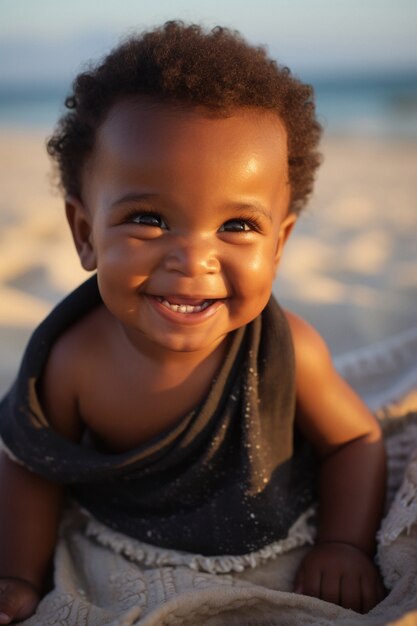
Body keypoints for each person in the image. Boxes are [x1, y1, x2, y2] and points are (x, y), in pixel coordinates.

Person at [0, 21, 386, 623]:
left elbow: (354, 441)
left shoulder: (286, 353)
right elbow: (30, 462)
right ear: (85, 234)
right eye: (149, 218)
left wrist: (344, 544)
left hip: (273, 526)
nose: (193, 259)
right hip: (125, 535)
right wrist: (19, 576)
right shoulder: (75, 361)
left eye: (237, 226)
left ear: (278, 245)